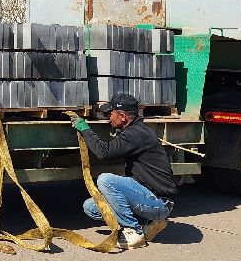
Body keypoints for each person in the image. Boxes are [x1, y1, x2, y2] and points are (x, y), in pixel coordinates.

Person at [71, 92, 176, 249]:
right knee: (91, 207)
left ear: (122, 116)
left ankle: (133, 232)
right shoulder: (135, 131)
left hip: (159, 202)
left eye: (110, 113)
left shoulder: (136, 134)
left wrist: (85, 129)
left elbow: (103, 152)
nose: (108, 117)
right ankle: (149, 223)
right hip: (146, 198)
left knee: (105, 180)